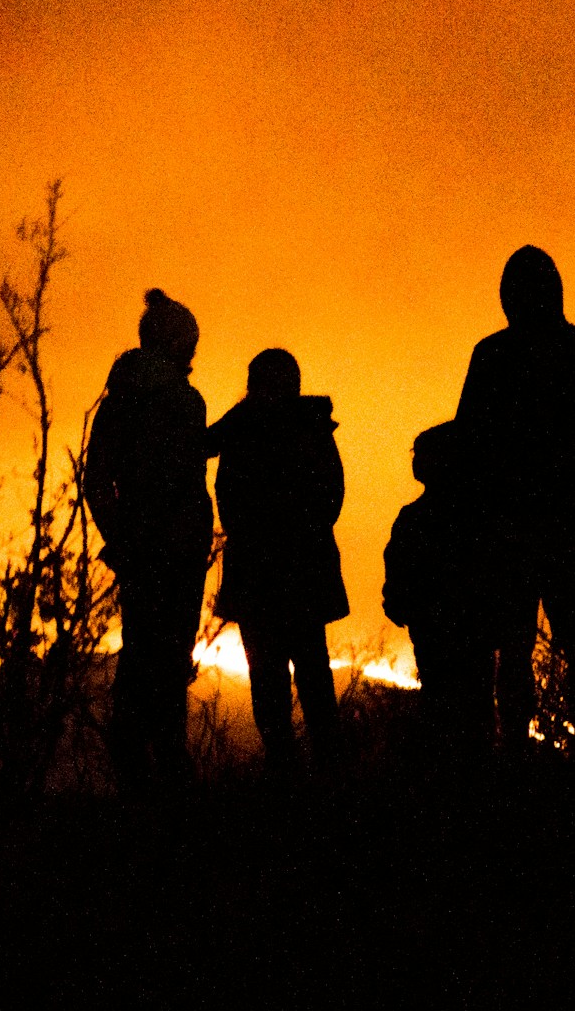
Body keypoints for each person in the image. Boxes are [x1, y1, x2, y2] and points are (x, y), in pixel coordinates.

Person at [456, 245, 575, 764]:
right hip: (553, 529)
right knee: (568, 651)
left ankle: (520, 754)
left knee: (530, 651)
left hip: (526, 529)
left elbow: (471, 440)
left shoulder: (493, 357)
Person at [83, 288, 213, 790]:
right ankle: (159, 767)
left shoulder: (123, 397)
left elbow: (98, 478)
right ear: (179, 341)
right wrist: (127, 538)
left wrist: (119, 537)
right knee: (160, 658)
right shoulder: (179, 399)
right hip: (172, 549)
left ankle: (144, 764)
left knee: (145, 654)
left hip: (150, 546)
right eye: (190, 340)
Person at [207, 348, 348, 775]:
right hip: (303, 571)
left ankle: (286, 770)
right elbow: (332, 498)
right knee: (311, 670)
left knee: (269, 675)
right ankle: (327, 770)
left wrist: (253, 532)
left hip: (258, 574)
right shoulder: (313, 428)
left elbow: (224, 493)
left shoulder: (242, 427)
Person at [383, 419, 504, 756]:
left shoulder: (425, 518)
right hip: (444, 629)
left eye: (422, 453)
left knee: (454, 704)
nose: (416, 460)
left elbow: (398, 567)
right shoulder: (473, 517)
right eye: (415, 453)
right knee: (459, 703)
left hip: (449, 629)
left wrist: (397, 600)